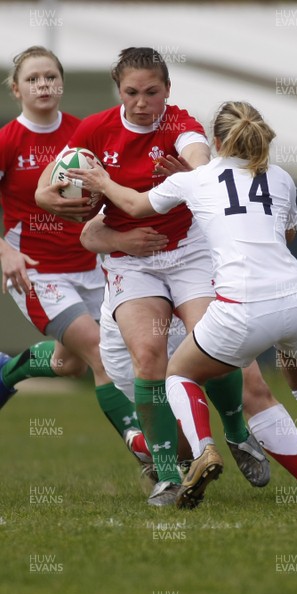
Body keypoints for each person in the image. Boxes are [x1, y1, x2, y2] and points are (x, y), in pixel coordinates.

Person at [68, 101, 297, 508]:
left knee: (178, 374)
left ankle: (205, 449)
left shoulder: (198, 179)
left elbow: (134, 206)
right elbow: (285, 237)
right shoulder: (282, 178)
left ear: (215, 142)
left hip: (244, 307)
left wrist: (102, 182)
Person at [35, 47, 274, 506]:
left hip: (187, 252)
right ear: (118, 90)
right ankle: (168, 477)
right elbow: (49, 183)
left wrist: (194, 173)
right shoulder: (96, 129)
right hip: (132, 262)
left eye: (152, 91)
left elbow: (200, 156)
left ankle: (238, 433)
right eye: (131, 92)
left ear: (168, 90)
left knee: (216, 341)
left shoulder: (179, 124)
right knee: (148, 354)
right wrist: (51, 199)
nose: (142, 102)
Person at [0, 46, 159, 466]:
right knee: (102, 353)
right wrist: (4, 253)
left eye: (50, 76)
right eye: (33, 79)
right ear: (16, 89)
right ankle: (147, 449)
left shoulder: (82, 133)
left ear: (62, 83)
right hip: (36, 272)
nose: (43, 85)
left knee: (69, 365)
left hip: (92, 267)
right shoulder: (7, 140)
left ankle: (5, 372)